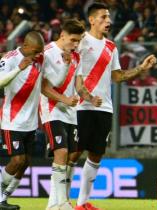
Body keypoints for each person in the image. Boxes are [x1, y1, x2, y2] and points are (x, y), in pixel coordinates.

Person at [70, 3, 156, 210]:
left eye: (108, 18)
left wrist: (141, 68)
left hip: (104, 107)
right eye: (103, 17)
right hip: (81, 106)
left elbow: (117, 76)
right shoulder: (80, 41)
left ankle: (82, 203)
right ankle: (61, 201)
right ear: (91, 20)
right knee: (73, 153)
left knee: (96, 154)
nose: (108, 21)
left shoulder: (111, 47)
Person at [39, 19, 94, 210]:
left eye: (78, 41)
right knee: (61, 152)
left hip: (71, 112)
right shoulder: (47, 53)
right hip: (52, 110)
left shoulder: (76, 56)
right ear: (62, 35)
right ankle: (61, 202)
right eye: (73, 40)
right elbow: (44, 88)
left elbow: (79, 84)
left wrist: (89, 97)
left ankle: (53, 204)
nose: (76, 44)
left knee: (71, 155)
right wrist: (64, 99)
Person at [0, 31, 45, 210]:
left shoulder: (40, 59)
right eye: (34, 51)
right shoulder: (10, 59)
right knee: (17, 160)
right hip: (13, 121)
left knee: (25, 162)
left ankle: (4, 199)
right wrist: (19, 68)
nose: (37, 55)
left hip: (31, 122)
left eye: (39, 52)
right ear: (25, 46)